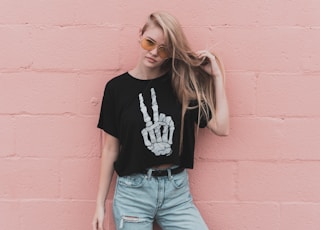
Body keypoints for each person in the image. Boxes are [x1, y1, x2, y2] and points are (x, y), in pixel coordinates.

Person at [92, 11, 229, 230]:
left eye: (164, 49)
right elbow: (110, 149)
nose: (154, 52)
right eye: (149, 42)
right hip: (133, 194)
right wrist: (99, 204)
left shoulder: (182, 84)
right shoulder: (116, 89)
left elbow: (222, 128)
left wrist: (217, 77)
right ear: (140, 36)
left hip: (176, 195)